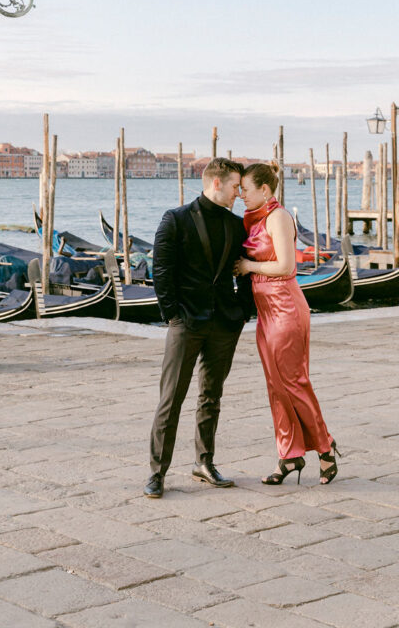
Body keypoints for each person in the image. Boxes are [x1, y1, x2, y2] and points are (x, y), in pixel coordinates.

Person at [144, 157, 253, 499]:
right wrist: (173, 315)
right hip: (186, 321)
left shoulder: (238, 225)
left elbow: (245, 270)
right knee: (171, 399)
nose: (239, 192)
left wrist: (243, 311)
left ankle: (203, 462)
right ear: (216, 183)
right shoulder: (174, 220)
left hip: (224, 322)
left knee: (212, 396)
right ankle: (157, 473)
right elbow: (161, 271)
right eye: (236, 186)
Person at [234, 162, 340, 485]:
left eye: (245, 190)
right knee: (275, 386)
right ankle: (289, 454)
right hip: (266, 314)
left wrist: (248, 266)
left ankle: (325, 448)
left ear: (264, 190)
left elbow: (285, 265)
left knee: (294, 383)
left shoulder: (278, 217)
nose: (241, 195)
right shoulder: (253, 221)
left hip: (285, 309)